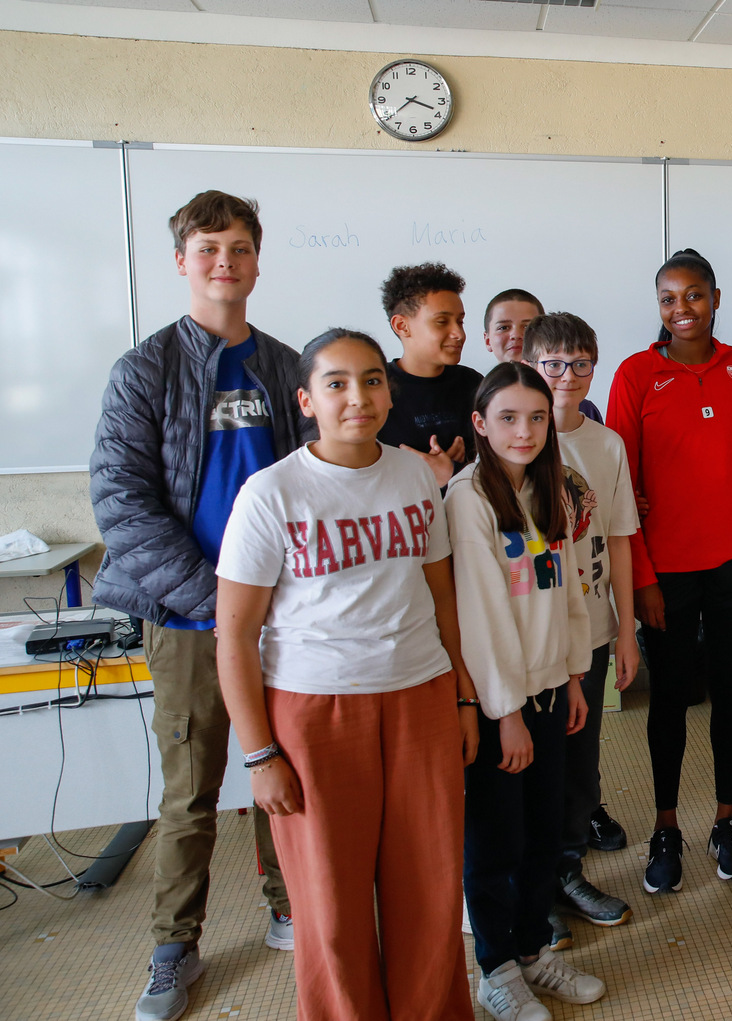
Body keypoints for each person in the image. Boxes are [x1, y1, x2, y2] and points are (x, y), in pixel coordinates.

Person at [213, 329, 479, 1021]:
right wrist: (260, 752)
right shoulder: (271, 493)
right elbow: (235, 634)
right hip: (314, 711)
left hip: (419, 696)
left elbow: (442, 596)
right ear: (307, 399)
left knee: (429, 890)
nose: (356, 396)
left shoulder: (417, 475)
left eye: (370, 380)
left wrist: (464, 696)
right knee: (330, 905)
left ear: (390, 391)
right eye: (335, 383)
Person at [89, 190, 303, 1021]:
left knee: (286, 764)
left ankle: (290, 901)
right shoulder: (144, 371)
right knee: (192, 788)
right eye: (209, 248)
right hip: (189, 619)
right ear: (182, 260)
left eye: (240, 247)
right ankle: (174, 945)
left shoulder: (287, 366)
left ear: (257, 260)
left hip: (286, 616)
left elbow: (314, 481)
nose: (225, 262)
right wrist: (219, 604)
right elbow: (121, 503)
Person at [448, 361, 608, 1020]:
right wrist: (505, 713)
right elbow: (481, 620)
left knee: (545, 834)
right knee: (496, 843)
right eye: (509, 418)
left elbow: (568, 589)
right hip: (500, 707)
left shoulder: (548, 488)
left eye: (537, 417)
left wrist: (573, 675)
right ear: (481, 424)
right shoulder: (469, 497)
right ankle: (497, 968)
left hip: (549, 690)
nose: (525, 430)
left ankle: (533, 948)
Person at [606, 249, 732, 892]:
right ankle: (666, 825)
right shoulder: (635, 374)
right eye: (669, 298)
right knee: (669, 698)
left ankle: (726, 818)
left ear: (716, 299)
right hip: (666, 570)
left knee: (731, 692)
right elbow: (621, 489)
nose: (681, 309)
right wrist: (641, 579)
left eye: (693, 295)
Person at [525, 313, 641, 927]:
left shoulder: (606, 443)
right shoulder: (517, 439)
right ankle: (532, 881)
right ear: (531, 365)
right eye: (552, 364)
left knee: (580, 757)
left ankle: (568, 870)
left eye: (579, 364)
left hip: (593, 629)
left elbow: (620, 538)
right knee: (534, 761)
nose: (566, 377)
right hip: (533, 638)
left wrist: (625, 631)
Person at [378, 263, 482, 487]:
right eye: (442, 322)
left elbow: (498, 465)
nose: (458, 333)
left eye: (460, 321)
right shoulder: (375, 389)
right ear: (402, 325)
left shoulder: (473, 384)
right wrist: (424, 473)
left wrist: (455, 472)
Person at [483, 288, 603, 425]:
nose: (516, 335)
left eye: (527, 327)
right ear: (487, 340)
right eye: (504, 327)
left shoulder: (582, 407)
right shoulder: (477, 400)